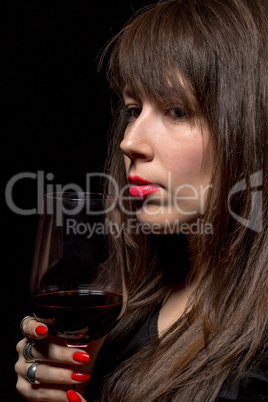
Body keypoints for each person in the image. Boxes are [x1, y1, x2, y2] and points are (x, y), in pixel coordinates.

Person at [15, 0, 268, 401]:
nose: (129, 142)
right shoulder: (130, 304)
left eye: (177, 110)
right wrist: (70, 383)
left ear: (252, 129)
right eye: (134, 109)